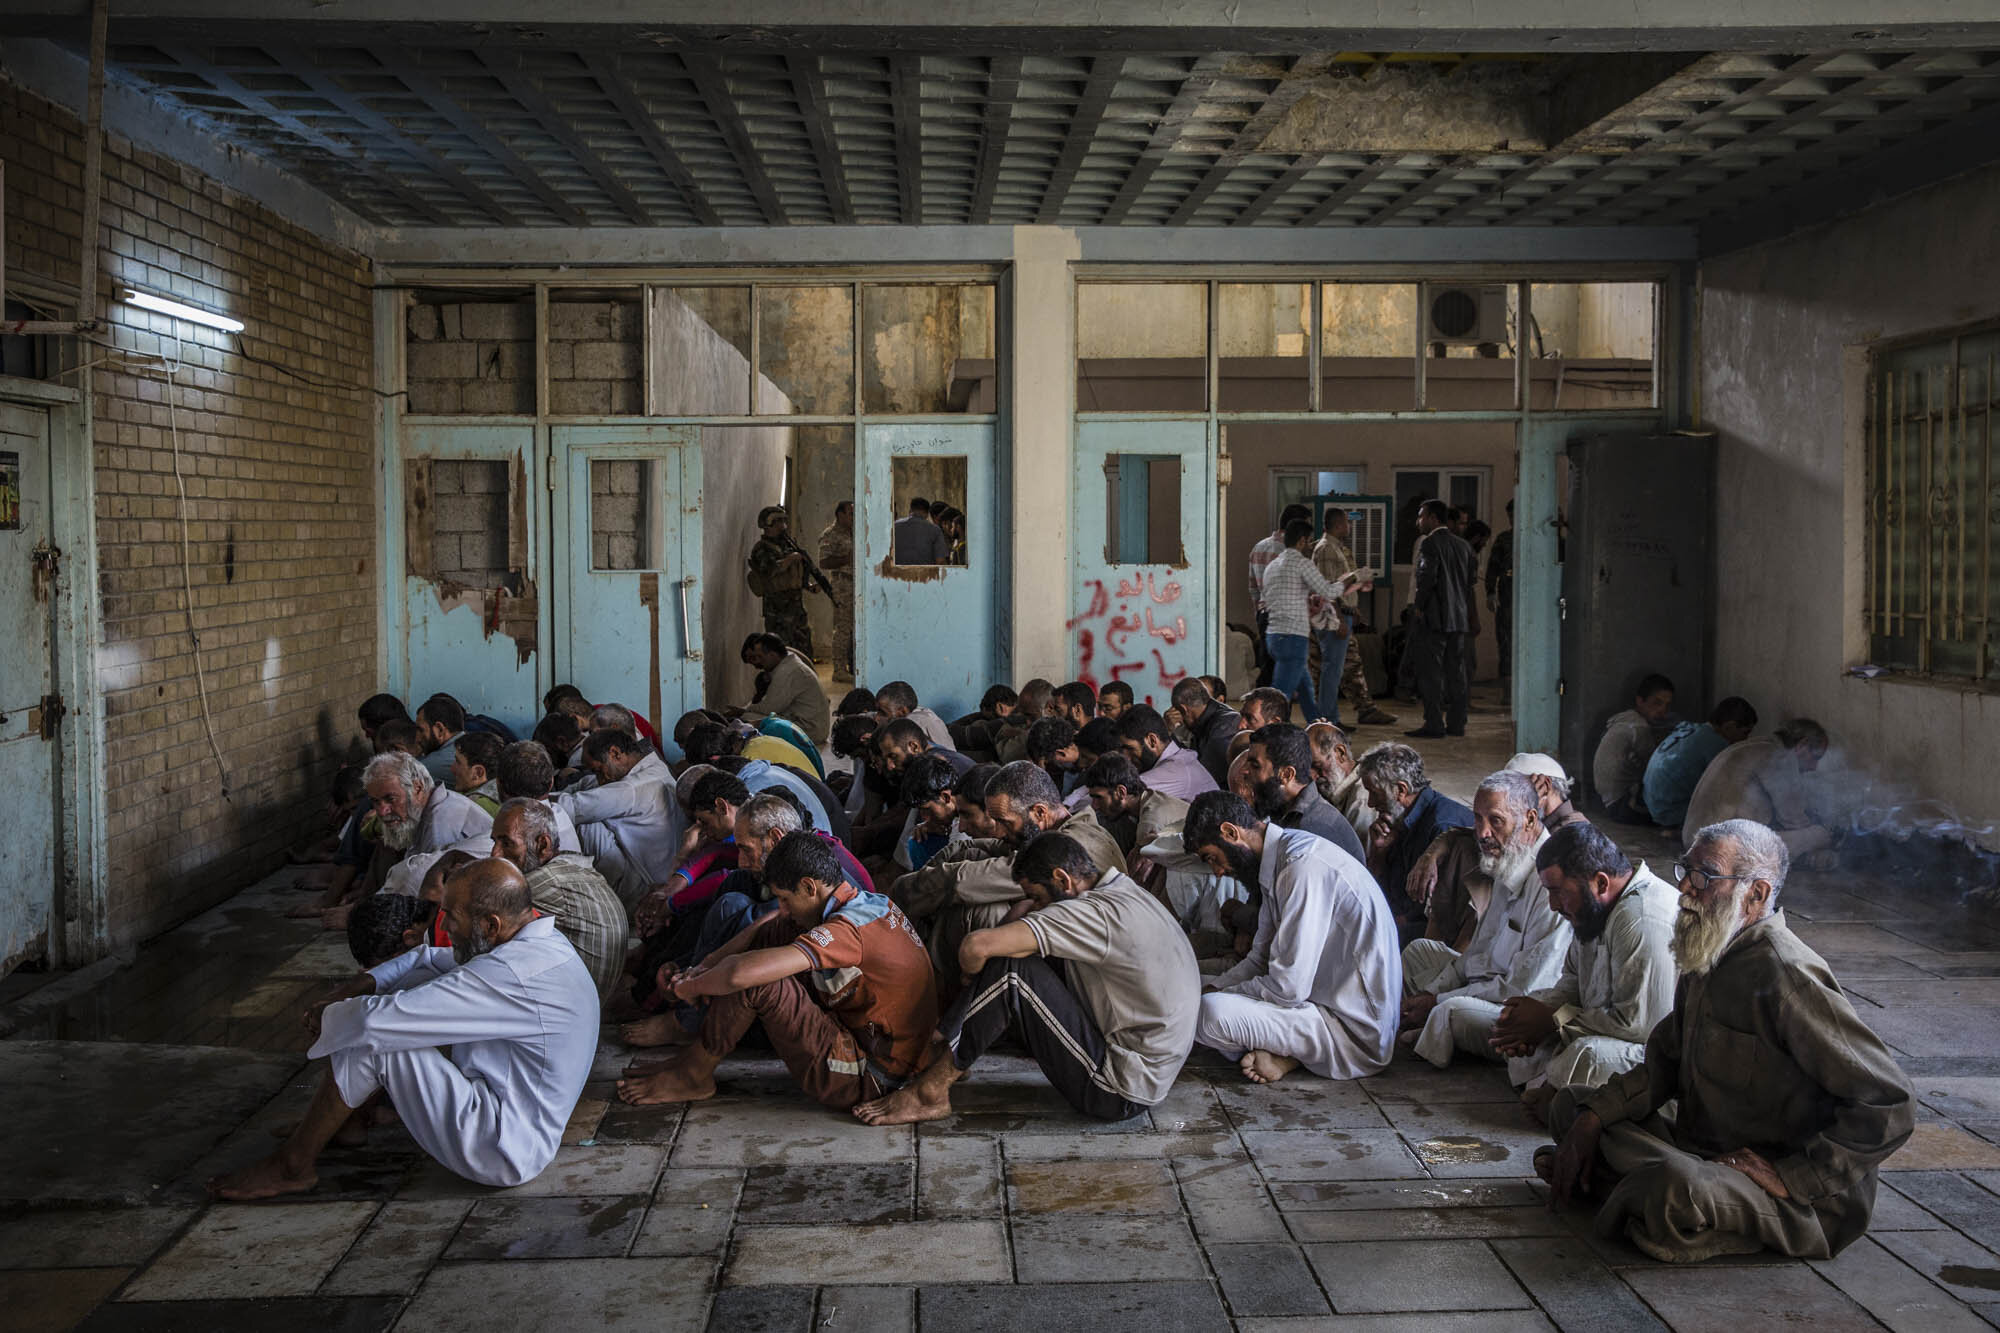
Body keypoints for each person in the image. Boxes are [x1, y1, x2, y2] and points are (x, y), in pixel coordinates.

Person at [1542, 819, 1914, 1263]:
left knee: (1676, 1187)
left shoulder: (1787, 974)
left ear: (1755, 894)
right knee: (1573, 1109)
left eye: (1704, 878)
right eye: (1686, 873)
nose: (1686, 891)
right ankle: (1635, 1198)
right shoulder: (1706, 951)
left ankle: (1631, 1196)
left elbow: (1889, 1102)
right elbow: (1662, 1066)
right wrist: (1593, 1119)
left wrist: (1794, 1177)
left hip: (1785, 1193)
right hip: (1705, 1152)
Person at [211, 859, 599, 1198]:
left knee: (377, 1036)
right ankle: (348, 1121)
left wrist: (325, 1014)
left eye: (452, 915)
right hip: (514, 1120)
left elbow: (371, 1022)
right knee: (386, 1006)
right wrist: (356, 987)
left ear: (490, 924)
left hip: (501, 1146)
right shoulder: (538, 943)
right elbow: (428, 958)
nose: (443, 924)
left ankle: (293, 1165)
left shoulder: (510, 974)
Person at [854, 831, 1198, 1125]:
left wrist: (970, 978)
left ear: (1063, 880)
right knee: (1017, 956)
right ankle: (950, 1043)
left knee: (1010, 972)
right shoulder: (1121, 893)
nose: (1035, 904)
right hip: (1150, 1072)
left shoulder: (1092, 914)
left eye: (1037, 895)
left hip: (1119, 1089)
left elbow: (976, 947)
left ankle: (931, 1091)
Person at [615, 832, 939, 1108]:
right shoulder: (862, 901)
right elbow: (765, 926)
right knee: (774, 935)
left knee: (757, 980)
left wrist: (693, 988)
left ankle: (694, 1074)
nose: (781, 908)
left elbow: (739, 976)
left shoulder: (847, 931)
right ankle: (696, 1059)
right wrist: (701, 969)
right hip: (869, 1039)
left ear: (810, 887)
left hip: (875, 1077)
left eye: (785, 898)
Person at [1185, 792, 1401, 1084]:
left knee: (1209, 1014)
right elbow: (1259, 960)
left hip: (1351, 1032)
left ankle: (1291, 1053)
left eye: (1213, 858)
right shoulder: (1280, 862)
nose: (1218, 872)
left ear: (1230, 832)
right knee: (1188, 988)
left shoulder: (1301, 865)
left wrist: (1217, 996)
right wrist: (1214, 986)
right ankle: (1284, 1053)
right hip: (1315, 1008)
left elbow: (1287, 987)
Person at [1492, 820, 1676, 1116]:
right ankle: (1553, 1091)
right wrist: (1529, 1014)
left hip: (1655, 1055)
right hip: (1606, 1030)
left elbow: (1639, 1026)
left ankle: (1556, 1096)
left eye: (1558, 892)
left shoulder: (1641, 919)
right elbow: (1571, 984)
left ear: (1601, 883)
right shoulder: (1592, 913)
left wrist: (1554, 1020)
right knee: (1527, 1031)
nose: (1553, 905)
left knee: (1586, 1054)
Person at [1399, 771, 1569, 1070]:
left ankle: (1433, 1029)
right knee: (1418, 952)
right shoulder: (1510, 857)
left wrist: (1438, 998)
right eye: (1478, 819)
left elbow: (1523, 990)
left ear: (1529, 820)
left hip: (1519, 1008)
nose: (1482, 832)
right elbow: (1477, 954)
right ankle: (1430, 1022)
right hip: (1488, 984)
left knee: (1451, 1010)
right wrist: (1433, 992)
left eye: (1495, 821)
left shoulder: (1549, 884)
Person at [1403, 750, 1586, 950]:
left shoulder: (1574, 834)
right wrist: (1430, 856)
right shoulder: (1512, 823)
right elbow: (1464, 832)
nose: (1483, 832)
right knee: (1462, 847)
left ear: (1544, 789)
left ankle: (1458, 953)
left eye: (1516, 787)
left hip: (1517, 947)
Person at [487, 797, 627, 1002]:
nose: (495, 853)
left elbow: (478, 901)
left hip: (576, 1004)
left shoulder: (546, 881)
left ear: (542, 844)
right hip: (587, 999)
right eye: (495, 842)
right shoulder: (568, 867)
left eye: (507, 843)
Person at [1356, 742, 1473, 940]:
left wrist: (1390, 923)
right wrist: (1379, 854)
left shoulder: (1441, 825)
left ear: (1401, 790)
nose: (1371, 803)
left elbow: (1439, 913)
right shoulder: (1397, 820)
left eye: (1375, 793)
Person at [551, 728, 680, 907]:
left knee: (587, 823)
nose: (600, 779)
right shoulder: (654, 769)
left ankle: (597, 903)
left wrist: (537, 797)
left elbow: (571, 807)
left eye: (598, 770)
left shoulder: (631, 788)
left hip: (644, 885)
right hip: (660, 873)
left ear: (615, 753)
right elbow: (591, 785)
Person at [1681, 718, 1834, 859]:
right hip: (1717, 848)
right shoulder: (1781, 757)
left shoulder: (1756, 745)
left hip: (1693, 841)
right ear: (1802, 745)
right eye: (1816, 757)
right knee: (1819, 835)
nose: (1814, 767)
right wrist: (1818, 833)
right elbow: (1793, 820)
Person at [1312, 507, 1397, 729]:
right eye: (1347, 523)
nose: (1349, 527)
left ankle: (1332, 717)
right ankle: (1329, 720)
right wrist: (1338, 618)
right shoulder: (1327, 549)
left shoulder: (1336, 548)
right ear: (1339, 524)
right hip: (1334, 617)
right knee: (1332, 670)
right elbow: (1327, 589)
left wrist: (1353, 609)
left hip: (1343, 614)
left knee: (1336, 669)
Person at [1262, 517, 1350, 724]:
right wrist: (1348, 580)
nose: (1311, 546)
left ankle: (1317, 726)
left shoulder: (1273, 566)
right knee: (1279, 696)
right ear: (1301, 541)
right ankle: (1267, 734)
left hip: (1274, 636)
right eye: (1309, 541)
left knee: (1306, 689)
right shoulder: (1302, 564)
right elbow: (1327, 590)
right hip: (1294, 637)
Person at [1241, 724, 1366, 864]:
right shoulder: (1282, 809)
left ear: (1287, 775)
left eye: (1255, 765)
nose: (1244, 770)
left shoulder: (1313, 828)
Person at [1407, 499, 1476, 738]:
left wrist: (1418, 606)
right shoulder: (1464, 546)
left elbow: (1427, 578)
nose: (1418, 521)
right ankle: (1457, 724)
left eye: (1421, 516)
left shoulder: (1429, 544)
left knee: (1431, 674)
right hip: (1458, 618)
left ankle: (1434, 724)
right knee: (1457, 673)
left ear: (1434, 519)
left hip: (1435, 619)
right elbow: (1469, 583)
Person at [1643, 696, 1759, 831]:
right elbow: (1726, 789)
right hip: (1668, 812)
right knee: (1732, 811)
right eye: (1745, 732)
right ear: (1729, 727)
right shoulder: (1715, 744)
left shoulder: (1692, 728)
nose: (1746, 739)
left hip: (1651, 802)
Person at [1592, 674, 1676, 821]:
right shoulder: (1639, 728)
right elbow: (1655, 772)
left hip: (1605, 802)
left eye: (1667, 705)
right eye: (1657, 703)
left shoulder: (1625, 719)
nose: (1663, 710)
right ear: (1640, 701)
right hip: (1622, 806)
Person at [1250, 503, 1312, 687]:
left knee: (1268, 668)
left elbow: (1253, 587)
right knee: (1286, 672)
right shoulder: (1292, 553)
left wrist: (1259, 614)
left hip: (1265, 615)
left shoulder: (1259, 547)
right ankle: (1279, 713)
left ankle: (1262, 712)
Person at [735, 632, 831, 744]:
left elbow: (769, 708)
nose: (759, 662)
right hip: (814, 725)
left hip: (811, 731)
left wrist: (744, 710)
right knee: (754, 718)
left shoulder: (787, 672)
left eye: (760, 657)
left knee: (748, 717)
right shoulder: (788, 661)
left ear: (772, 655)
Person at [747, 504, 813, 657]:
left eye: (784, 521)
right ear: (767, 524)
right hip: (777, 609)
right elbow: (768, 571)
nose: (783, 526)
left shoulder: (788, 546)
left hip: (796, 606)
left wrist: (808, 585)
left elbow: (794, 574)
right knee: (781, 650)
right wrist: (789, 560)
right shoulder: (762, 548)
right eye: (778, 522)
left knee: (803, 647)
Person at [1117, 706, 1221, 802]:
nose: (1125, 757)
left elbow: (1117, 794)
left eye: (1130, 748)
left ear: (1152, 741)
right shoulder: (1180, 759)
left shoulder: (1175, 770)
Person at [1305, 721, 1374, 841]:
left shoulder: (1362, 800)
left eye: (1317, 765)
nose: (1311, 776)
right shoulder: (1334, 787)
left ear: (1340, 753)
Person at [1171, 677, 1242, 788]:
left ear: (1184, 710)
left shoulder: (1226, 724)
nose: (1181, 722)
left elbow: (1203, 775)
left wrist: (1169, 733)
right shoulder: (1203, 720)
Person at [817, 499, 856, 682]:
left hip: (857, 585)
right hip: (843, 585)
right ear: (840, 514)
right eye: (850, 513)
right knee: (843, 629)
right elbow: (823, 562)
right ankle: (839, 669)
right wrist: (845, 559)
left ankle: (854, 665)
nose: (853, 517)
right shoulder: (830, 534)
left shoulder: (856, 532)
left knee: (857, 629)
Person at [875, 680, 956, 752]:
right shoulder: (917, 713)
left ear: (902, 712)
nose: (877, 718)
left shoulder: (917, 721)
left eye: (883, 713)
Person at [1486, 500, 1514, 689]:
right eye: (1510, 515)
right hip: (1507, 598)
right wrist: (1490, 592)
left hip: (1532, 601)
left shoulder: (1538, 538)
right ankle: (1507, 688)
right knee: (1505, 643)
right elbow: (1492, 568)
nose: (1513, 519)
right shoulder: (1504, 539)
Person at [412, 692, 470, 786]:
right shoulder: (472, 743)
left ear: (440, 729)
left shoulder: (430, 765)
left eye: (421, 730)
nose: (417, 738)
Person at [449, 731, 505, 815]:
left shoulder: (474, 807)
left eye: (458, 762)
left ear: (478, 773)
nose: (452, 769)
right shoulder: (504, 792)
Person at [892, 496, 951, 565]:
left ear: (910, 510)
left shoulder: (894, 526)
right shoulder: (935, 530)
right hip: (926, 574)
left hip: (897, 574)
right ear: (927, 513)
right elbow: (940, 561)